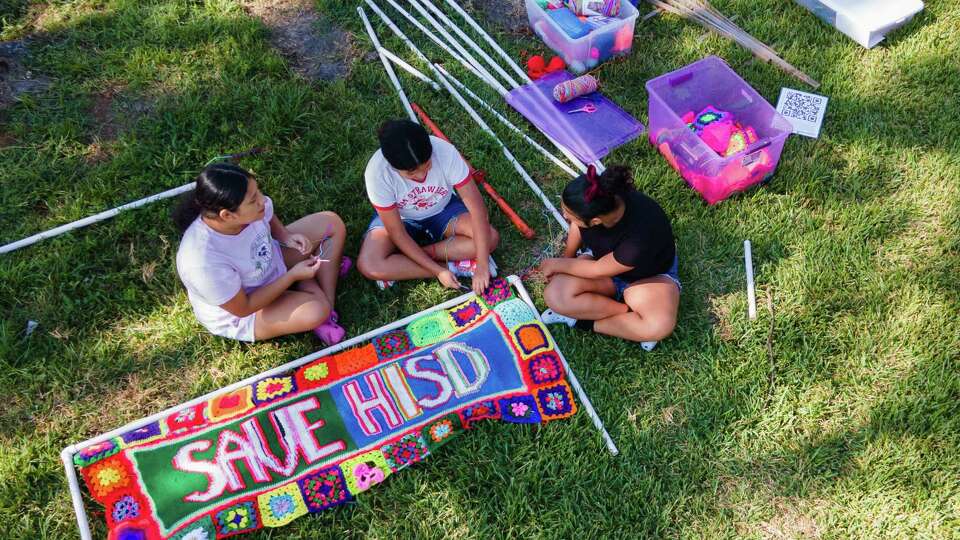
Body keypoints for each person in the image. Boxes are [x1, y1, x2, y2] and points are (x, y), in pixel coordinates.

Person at [174, 162, 349, 344]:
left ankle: (327, 306)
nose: (263, 200)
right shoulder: (202, 263)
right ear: (227, 215)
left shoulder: (253, 208)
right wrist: (292, 276)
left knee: (331, 223)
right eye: (253, 200)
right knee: (316, 311)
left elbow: (269, 217)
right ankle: (316, 291)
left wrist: (286, 236)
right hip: (247, 311)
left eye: (258, 192)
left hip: (270, 261)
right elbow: (244, 308)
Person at [539, 165, 680, 350]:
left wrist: (557, 264)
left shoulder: (640, 235)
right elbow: (578, 226)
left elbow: (597, 270)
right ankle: (625, 312)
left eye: (570, 215)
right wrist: (569, 258)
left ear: (596, 221)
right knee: (555, 295)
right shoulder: (598, 200)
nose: (565, 216)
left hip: (648, 278)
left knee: (658, 325)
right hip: (601, 263)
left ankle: (585, 322)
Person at [357, 120, 500, 294]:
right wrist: (437, 271)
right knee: (369, 265)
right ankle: (453, 266)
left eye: (428, 165)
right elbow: (397, 233)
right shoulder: (377, 173)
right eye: (411, 173)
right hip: (400, 218)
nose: (421, 175)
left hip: (444, 210)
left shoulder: (445, 152)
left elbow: (478, 211)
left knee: (490, 238)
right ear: (392, 165)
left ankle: (403, 263)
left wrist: (483, 264)